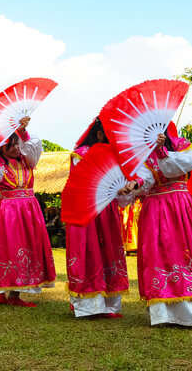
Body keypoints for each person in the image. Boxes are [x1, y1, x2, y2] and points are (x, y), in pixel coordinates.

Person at [118, 130, 192, 327]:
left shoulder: (180, 144)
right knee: (158, 254)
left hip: (179, 205)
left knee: (187, 251)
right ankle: (163, 312)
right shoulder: (141, 152)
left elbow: (189, 163)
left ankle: (190, 312)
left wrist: (163, 150)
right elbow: (145, 178)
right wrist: (132, 185)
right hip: (154, 208)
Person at [0, 117, 56, 307]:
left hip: (30, 209)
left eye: (16, 144)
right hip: (11, 210)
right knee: (12, 247)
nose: (15, 148)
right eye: (10, 146)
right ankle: (5, 290)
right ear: (0, 148)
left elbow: (34, 150)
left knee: (29, 246)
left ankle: (14, 293)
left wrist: (23, 132)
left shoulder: (26, 159)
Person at [64, 118, 128, 318]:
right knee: (88, 252)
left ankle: (109, 305)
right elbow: (82, 181)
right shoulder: (80, 155)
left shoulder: (116, 156)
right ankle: (87, 306)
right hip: (85, 210)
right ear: (99, 133)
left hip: (107, 210)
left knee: (108, 252)